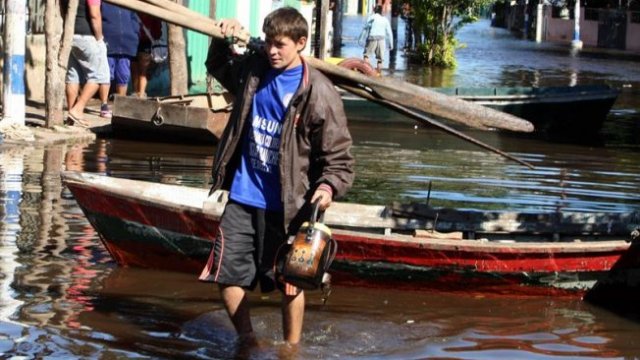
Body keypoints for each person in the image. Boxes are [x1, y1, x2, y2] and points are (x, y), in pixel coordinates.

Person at [199, 7, 354, 345]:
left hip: (292, 206)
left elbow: (339, 159)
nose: (272, 50)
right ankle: (248, 339)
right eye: (268, 42)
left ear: (300, 43)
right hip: (243, 195)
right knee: (226, 276)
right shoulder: (254, 71)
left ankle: (290, 349)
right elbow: (219, 65)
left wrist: (327, 188)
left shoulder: (319, 93)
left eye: (280, 45)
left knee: (291, 282)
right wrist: (220, 37)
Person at [65, 0, 110, 127]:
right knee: (100, 75)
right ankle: (77, 110)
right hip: (87, 36)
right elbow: (94, 15)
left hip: (71, 35)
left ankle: (71, 117)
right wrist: (100, 38)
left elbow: (64, 12)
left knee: (73, 76)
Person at [98, 3, 140, 118]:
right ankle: (104, 105)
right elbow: (97, 15)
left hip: (126, 43)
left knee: (123, 75)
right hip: (108, 42)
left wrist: (134, 33)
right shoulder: (104, 2)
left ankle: (120, 106)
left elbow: (134, 19)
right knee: (105, 75)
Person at [131, 13, 163, 98]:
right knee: (142, 72)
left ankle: (136, 92)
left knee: (135, 70)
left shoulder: (134, 11)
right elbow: (158, 33)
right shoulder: (152, 13)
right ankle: (141, 94)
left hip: (134, 41)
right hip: (145, 43)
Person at [362, 5, 393, 74]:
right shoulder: (385, 19)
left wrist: (361, 38)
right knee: (380, 60)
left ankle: (367, 73)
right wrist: (391, 44)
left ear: (374, 10)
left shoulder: (371, 17)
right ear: (381, 11)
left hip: (372, 38)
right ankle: (378, 75)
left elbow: (365, 29)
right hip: (381, 39)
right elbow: (389, 33)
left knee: (366, 56)